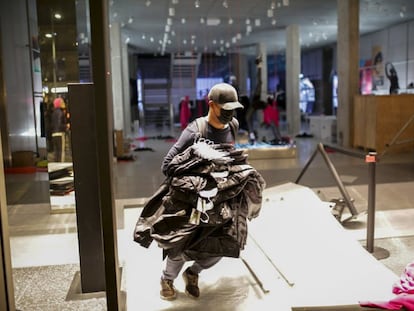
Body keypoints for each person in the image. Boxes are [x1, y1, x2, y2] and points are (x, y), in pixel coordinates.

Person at [159, 83, 244, 300]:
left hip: (220, 198)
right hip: (193, 199)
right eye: (225, 109)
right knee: (181, 244)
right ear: (211, 105)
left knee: (222, 244)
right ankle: (167, 279)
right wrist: (197, 171)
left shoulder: (233, 125)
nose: (229, 114)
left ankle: (193, 272)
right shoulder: (195, 131)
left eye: (232, 109)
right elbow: (167, 165)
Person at [50, 97, 67, 162]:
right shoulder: (61, 112)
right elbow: (60, 125)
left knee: (56, 153)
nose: (63, 103)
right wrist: (66, 126)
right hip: (60, 134)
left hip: (54, 134)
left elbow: (52, 124)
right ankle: (60, 168)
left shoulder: (53, 113)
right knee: (61, 153)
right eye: (62, 102)